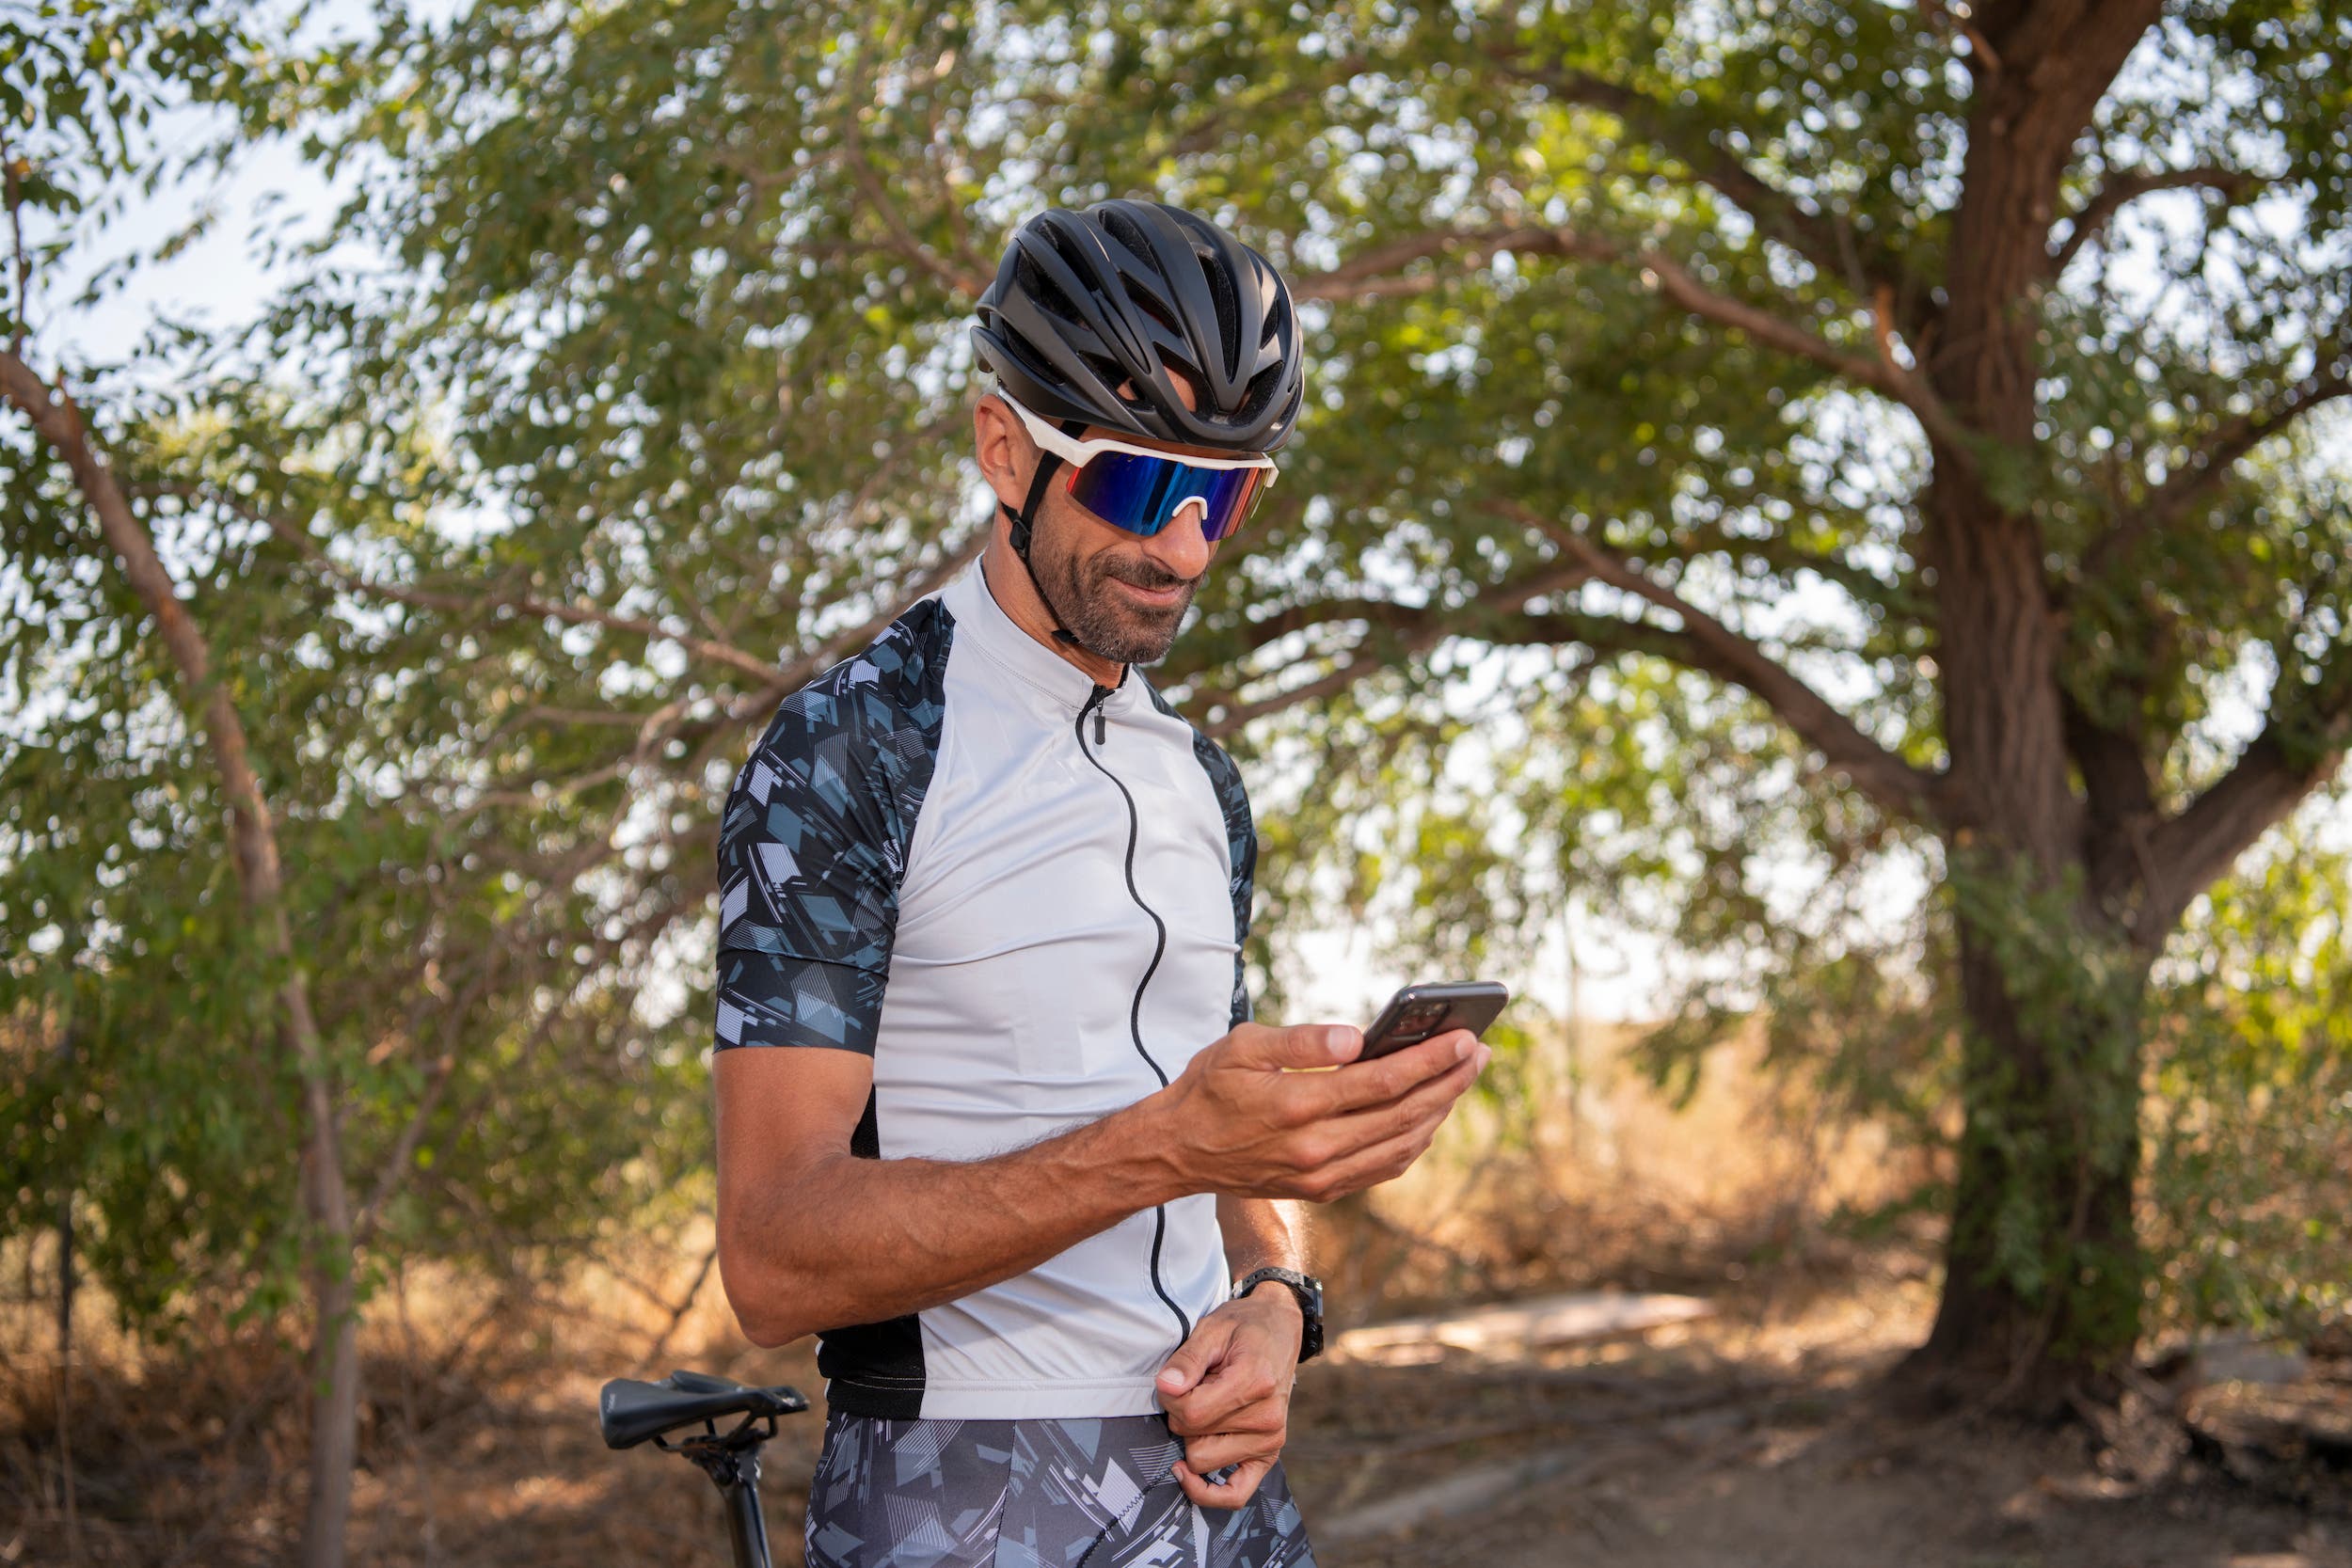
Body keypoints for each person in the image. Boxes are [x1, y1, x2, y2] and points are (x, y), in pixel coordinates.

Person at [711, 198, 1489, 1568]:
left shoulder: (1205, 781)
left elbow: (1224, 1140)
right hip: (959, 1489)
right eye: (1141, 486)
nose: (1185, 547)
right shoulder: (854, 747)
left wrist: (1276, 1299)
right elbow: (775, 1258)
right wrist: (1169, 1148)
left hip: (1216, 1491)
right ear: (1005, 449)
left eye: (1227, 492)